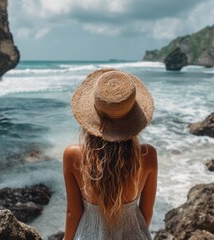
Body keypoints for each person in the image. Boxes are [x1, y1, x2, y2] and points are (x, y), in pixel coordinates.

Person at [63, 68, 158, 240]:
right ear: (134, 119)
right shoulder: (147, 155)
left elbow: (73, 212)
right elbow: (146, 212)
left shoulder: (73, 156)